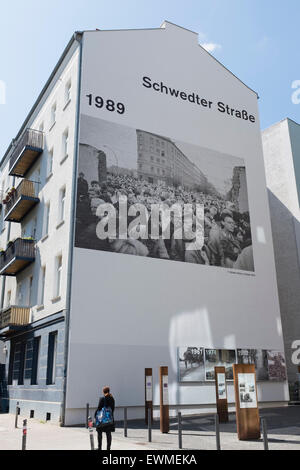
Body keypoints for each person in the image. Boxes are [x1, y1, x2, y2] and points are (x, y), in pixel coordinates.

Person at [95, 386, 115, 451]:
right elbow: (112, 409)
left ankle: (99, 448)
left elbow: (98, 409)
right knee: (108, 434)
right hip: (109, 420)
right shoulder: (112, 399)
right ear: (109, 391)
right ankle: (108, 448)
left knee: (99, 434)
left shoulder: (102, 399)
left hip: (101, 420)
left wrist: (95, 415)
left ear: (103, 392)